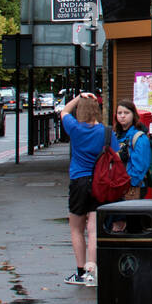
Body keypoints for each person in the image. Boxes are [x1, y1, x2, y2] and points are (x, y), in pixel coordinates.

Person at [61, 92, 107, 286]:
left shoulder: (75, 128)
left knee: (76, 229)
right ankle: (92, 272)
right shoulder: (106, 132)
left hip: (79, 181)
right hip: (98, 182)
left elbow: (63, 111)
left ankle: (80, 272)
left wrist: (78, 98)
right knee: (93, 231)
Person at [112, 99, 152, 199]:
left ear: (133, 115)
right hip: (115, 184)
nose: (122, 116)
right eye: (119, 113)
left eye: (126, 113)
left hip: (131, 187)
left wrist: (129, 184)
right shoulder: (114, 135)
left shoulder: (139, 137)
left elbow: (140, 166)